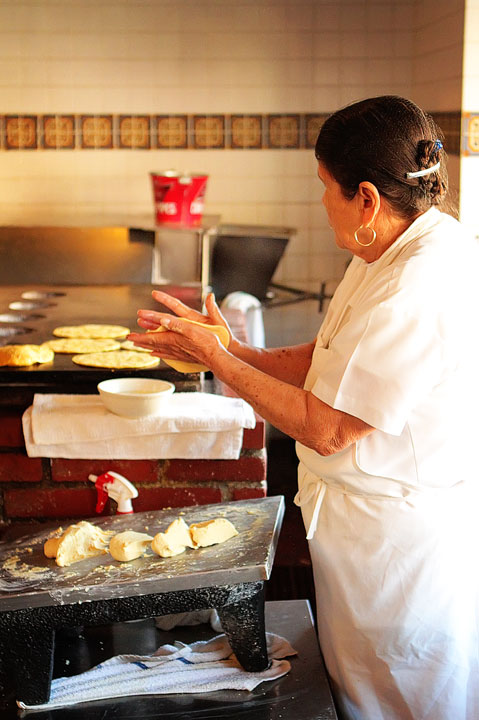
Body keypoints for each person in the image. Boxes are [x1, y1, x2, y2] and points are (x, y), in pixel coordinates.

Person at [128, 95, 479, 720]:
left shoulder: (420, 283)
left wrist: (218, 359)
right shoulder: (386, 250)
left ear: (366, 199)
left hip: (400, 554)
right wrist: (229, 346)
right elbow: (322, 361)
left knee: (406, 699)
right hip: (363, 538)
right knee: (363, 692)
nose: (323, 204)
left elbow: (327, 428)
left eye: (327, 188)